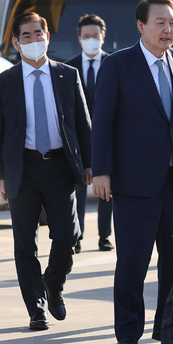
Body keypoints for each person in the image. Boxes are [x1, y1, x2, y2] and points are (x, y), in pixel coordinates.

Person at [91, 0, 173, 344]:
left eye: (172, 23)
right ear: (141, 26)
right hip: (133, 179)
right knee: (133, 260)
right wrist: (101, 171)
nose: (168, 30)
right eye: (160, 23)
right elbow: (102, 122)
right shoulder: (118, 65)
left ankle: (166, 326)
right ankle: (127, 330)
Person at [0, 11, 92, 331]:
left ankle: (54, 283)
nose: (34, 40)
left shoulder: (67, 75)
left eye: (39, 33)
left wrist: (90, 164)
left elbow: (83, 126)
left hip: (61, 167)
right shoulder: (3, 82)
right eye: (27, 36)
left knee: (67, 236)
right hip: (23, 169)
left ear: (48, 36)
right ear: (17, 44)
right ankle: (36, 308)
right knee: (24, 245)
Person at [64, 14, 113, 253]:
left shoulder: (114, 63)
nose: (91, 41)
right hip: (79, 139)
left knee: (106, 188)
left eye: (95, 36)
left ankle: (105, 236)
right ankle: (78, 236)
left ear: (103, 37)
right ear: (79, 38)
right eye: (86, 37)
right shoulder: (68, 67)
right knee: (80, 187)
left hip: (108, 136)